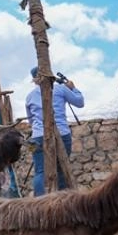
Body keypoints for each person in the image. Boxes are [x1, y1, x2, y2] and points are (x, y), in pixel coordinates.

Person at [25, 66, 84, 196]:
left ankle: (39, 202)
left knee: (40, 171)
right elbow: (80, 102)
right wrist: (73, 88)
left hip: (37, 136)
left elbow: (30, 120)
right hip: (62, 133)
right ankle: (61, 203)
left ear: (35, 80)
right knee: (61, 169)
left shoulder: (29, 97)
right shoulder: (61, 89)